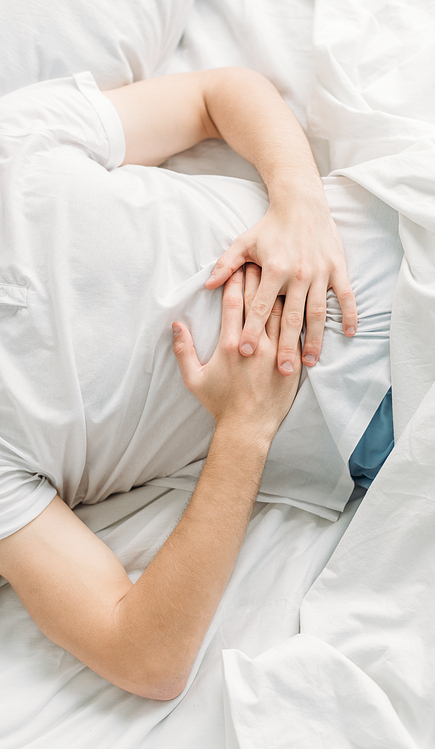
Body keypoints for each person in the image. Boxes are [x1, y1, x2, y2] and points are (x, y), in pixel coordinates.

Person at [0, 68, 397, 699]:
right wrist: (245, 430)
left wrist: (298, 201)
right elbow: (143, 658)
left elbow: (217, 96)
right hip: (378, 423)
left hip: (400, 238)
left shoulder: (12, 139)